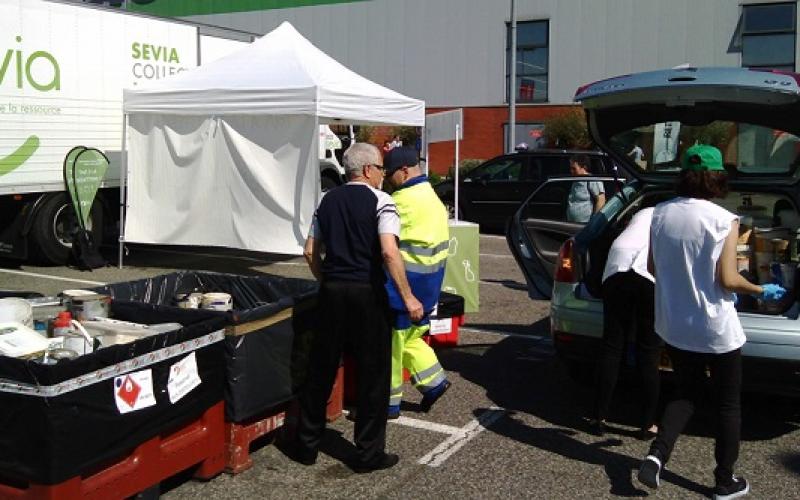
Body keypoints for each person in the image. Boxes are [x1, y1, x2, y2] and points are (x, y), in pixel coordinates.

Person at [637, 144, 786, 499]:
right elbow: (730, 281)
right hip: (715, 328)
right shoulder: (724, 219)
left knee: (685, 392)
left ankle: (658, 454)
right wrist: (761, 288)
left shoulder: (658, 213)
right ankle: (724, 482)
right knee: (727, 404)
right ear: (717, 177)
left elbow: (653, 269)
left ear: (684, 175)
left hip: (674, 325)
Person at [293, 143, 424, 473]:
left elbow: (310, 251)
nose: (383, 174)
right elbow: (389, 253)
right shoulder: (382, 202)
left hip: (333, 293)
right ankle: (368, 454)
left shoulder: (326, 201)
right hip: (367, 294)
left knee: (320, 370)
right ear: (368, 170)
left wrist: (326, 280)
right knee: (372, 377)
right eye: (380, 168)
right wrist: (408, 297)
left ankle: (305, 445)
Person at [382, 147, 451, 419]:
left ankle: (388, 404)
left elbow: (386, 245)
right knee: (412, 338)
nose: (388, 180)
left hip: (402, 289)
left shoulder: (401, 201)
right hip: (429, 286)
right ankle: (434, 383)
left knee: (392, 348)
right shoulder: (432, 197)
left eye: (390, 175)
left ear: (404, 171)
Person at [591, 207, 661, 439]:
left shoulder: (640, 215)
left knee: (611, 347)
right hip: (648, 275)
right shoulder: (674, 216)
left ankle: (599, 417)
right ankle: (647, 423)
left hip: (616, 270)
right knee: (648, 351)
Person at [566, 154, 606, 223]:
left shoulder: (592, 180)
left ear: (584, 167)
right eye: (571, 168)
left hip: (585, 224)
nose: (571, 171)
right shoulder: (575, 181)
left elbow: (601, 200)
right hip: (572, 224)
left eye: (574, 168)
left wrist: (594, 221)